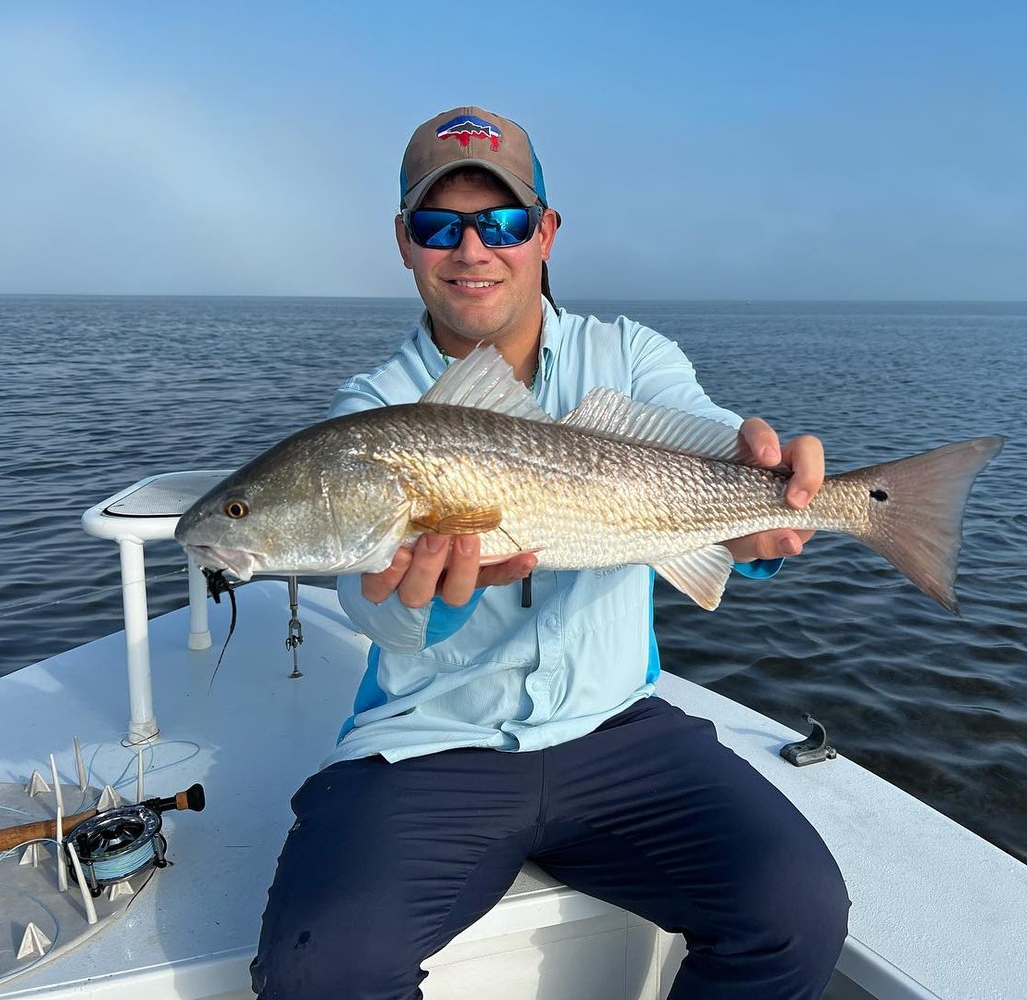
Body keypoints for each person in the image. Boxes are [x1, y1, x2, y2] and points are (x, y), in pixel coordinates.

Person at [250, 106, 849, 1000]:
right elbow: (370, 607)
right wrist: (422, 597)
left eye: (502, 222)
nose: (472, 249)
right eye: (437, 224)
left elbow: (719, 445)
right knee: (319, 970)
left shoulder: (629, 355)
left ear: (545, 232)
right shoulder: (370, 412)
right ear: (404, 243)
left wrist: (767, 510)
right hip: (432, 745)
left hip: (619, 730)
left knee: (797, 912)